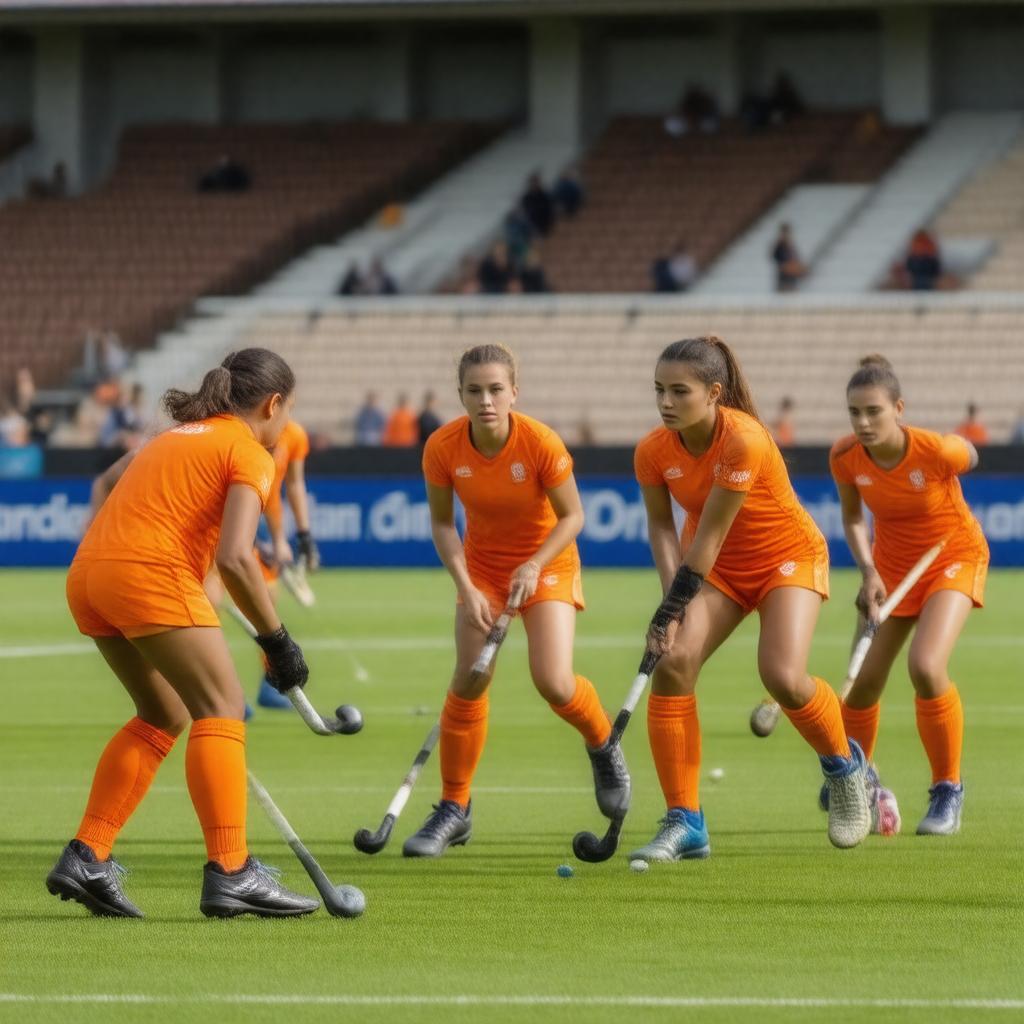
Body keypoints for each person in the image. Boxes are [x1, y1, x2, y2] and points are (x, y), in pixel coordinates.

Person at [49, 348, 318, 919]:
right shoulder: (248, 451)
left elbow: (113, 478)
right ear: (272, 405)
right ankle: (232, 870)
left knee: (161, 715)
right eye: (287, 412)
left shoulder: (174, 436)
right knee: (222, 706)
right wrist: (278, 642)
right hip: (149, 575)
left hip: (91, 575)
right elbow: (239, 558)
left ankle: (88, 855)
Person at [629, 336, 869, 864]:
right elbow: (662, 528)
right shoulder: (652, 451)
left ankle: (845, 771)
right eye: (658, 391)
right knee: (673, 664)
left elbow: (709, 534)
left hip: (786, 556)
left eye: (679, 391)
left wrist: (672, 608)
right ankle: (685, 821)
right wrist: (676, 605)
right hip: (719, 572)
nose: (666, 402)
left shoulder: (745, 440)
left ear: (714, 392)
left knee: (782, 675)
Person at [403, 344, 629, 857]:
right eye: (475, 391)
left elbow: (573, 516)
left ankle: (603, 743)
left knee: (553, 681)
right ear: (459, 394)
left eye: (496, 389)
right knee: (470, 679)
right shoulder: (441, 447)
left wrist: (534, 564)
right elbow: (442, 523)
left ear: (514, 392)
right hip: (481, 569)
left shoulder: (539, 442)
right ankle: (454, 808)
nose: (486, 400)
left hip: (547, 564)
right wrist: (465, 586)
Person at [830, 355, 989, 835]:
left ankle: (947, 790)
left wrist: (960, 446)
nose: (863, 422)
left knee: (925, 666)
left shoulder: (933, 450)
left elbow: (971, 456)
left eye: (874, 411)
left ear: (898, 408)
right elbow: (855, 518)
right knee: (861, 685)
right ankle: (858, 778)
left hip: (952, 556)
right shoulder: (845, 457)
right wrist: (868, 572)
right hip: (891, 572)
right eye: (855, 412)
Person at [771, 224, 806, 292]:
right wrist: (796, 270)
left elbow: (796, 261)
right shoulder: (779, 247)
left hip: (792, 281)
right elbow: (782, 266)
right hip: (784, 282)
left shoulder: (791, 247)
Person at [521, 173, 554, 238]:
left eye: (536, 182)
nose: (534, 184)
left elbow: (550, 210)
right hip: (532, 225)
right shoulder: (526, 197)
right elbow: (526, 212)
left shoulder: (545, 195)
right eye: (532, 182)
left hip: (545, 224)